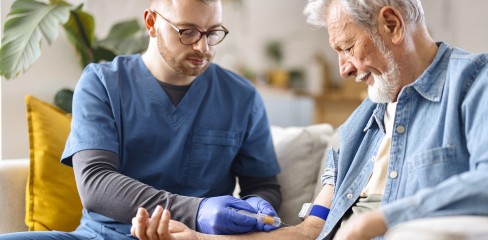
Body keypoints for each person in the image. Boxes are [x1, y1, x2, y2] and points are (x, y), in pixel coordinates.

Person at [129, 0, 488, 239]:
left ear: (391, 23)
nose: (344, 69)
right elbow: (310, 230)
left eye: (347, 48)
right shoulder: (358, 127)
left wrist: (384, 219)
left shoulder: (478, 78)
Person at [0, 0, 283, 239]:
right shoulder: (102, 83)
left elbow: (262, 184)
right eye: (188, 32)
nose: (203, 47)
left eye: (212, 33)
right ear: (151, 23)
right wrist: (197, 211)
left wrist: (258, 208)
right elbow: (95, 184)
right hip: (104, 235)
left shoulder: (241, 96)